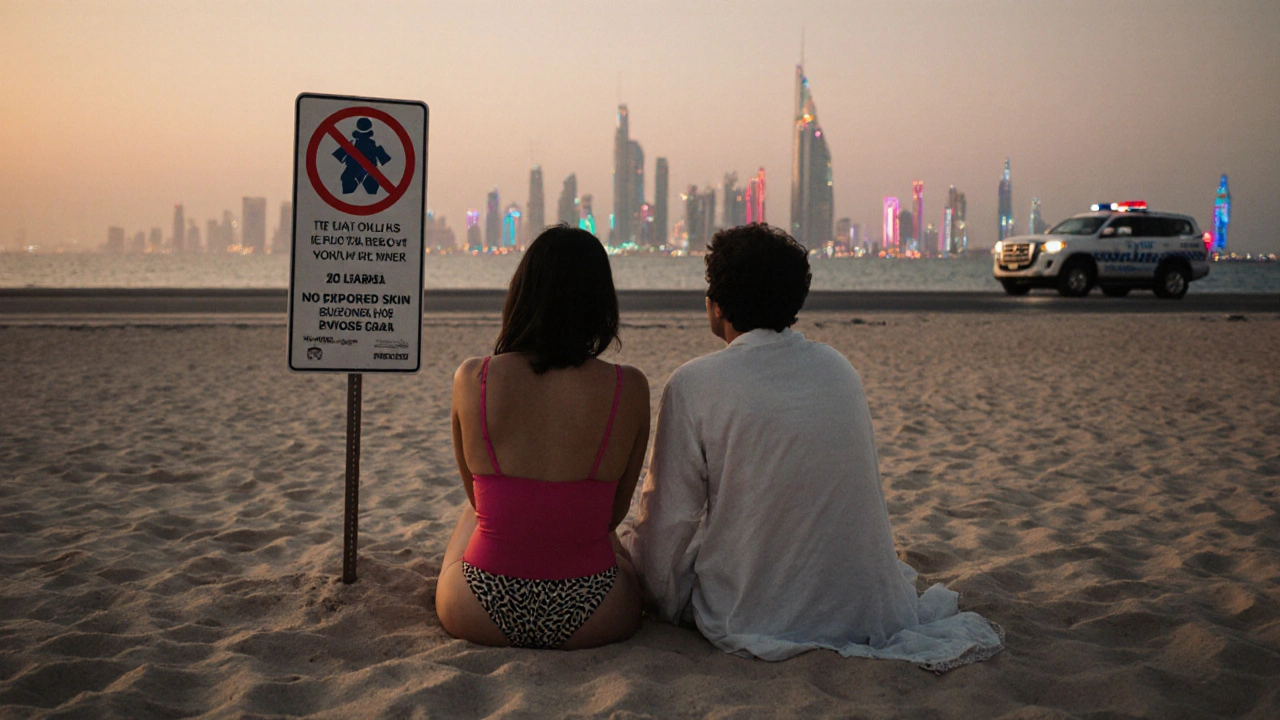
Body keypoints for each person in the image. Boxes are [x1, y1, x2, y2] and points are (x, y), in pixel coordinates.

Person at [618, 223, 1003, 671]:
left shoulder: (692, 384)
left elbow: (666, 524)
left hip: (757, 616)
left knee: (641, 544)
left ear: (715, 305)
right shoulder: (837, 368)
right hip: (868, 608)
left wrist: (653, 595)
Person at [436, 225, 649, 650]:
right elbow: (614, 515)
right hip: (596, 611)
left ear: (520, 294)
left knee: (472, 512)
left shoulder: (472, 377)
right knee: (610, 543)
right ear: (601, 302)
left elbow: (479, 503)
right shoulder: (629, 387)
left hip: (478, 608)